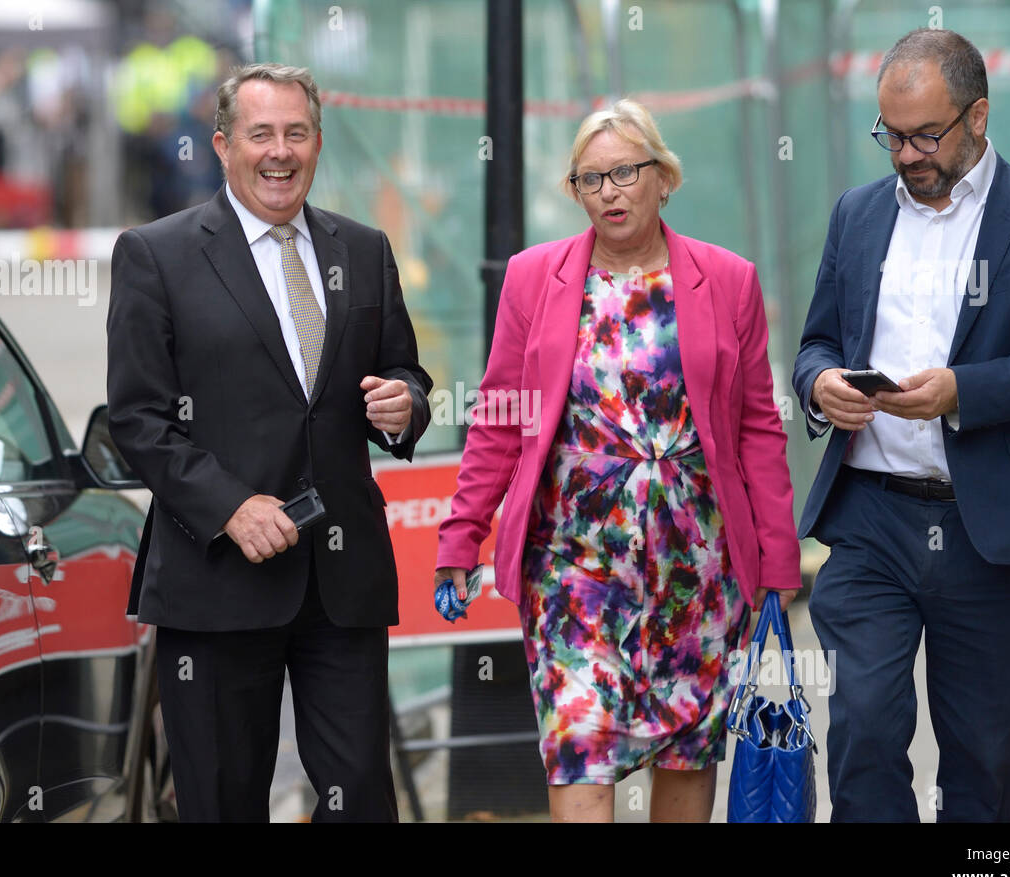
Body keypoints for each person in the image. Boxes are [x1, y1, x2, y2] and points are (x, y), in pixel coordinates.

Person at [436, 99, 801, 823]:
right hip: (574, 570)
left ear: (663, 178)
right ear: (574, 191)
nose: (609, 191)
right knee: (579, 747)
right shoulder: (532, 278)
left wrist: (778, 560)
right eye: (590, 179)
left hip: (695, 570)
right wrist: (460, 535)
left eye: (625, 172)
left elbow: (759, 427)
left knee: (686, 756)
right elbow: (499, 419)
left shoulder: (728, 279)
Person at [792, 29, 1010, 823]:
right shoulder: (856, 214)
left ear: (978, 116)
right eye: (890, 135)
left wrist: (959, 391)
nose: (904, 154)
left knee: (983, 758)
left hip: (988, 528)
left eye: (924, 135)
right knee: (861, 728)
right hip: (868, 519)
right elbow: (817, 343)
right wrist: (822, 382)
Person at [106, 62, 433, 822]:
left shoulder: (364, 249)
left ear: (317, 144)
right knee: (222, 802)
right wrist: (229, 507)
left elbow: (404, 373)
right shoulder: (157, 255)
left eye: (295, 133)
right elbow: (137, 418)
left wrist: (404, 404)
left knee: (361, 804)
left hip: (342, 583)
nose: (278, 152)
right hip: (219, 581)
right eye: (260, 134)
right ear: (223, 146)